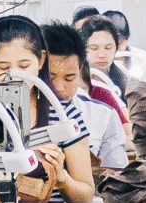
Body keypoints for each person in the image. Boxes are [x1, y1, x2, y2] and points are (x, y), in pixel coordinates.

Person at [0, 14, 94, 203]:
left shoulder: (64, 116)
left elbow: (86, 195)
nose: (15, 75)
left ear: (41, 60)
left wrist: (62, 179)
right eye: (3, 67)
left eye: (24, 65)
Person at [42, 21, 129, 174]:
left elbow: (117, 177)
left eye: (69, 78)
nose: (59, 88)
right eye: (50, 78)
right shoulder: (15, 116)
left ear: (81, 69)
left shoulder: (103, 115)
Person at [77, 14, 132, 120]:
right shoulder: (80, 80)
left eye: (108, 47)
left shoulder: (122, 73)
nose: (101, 54)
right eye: (94, 48)